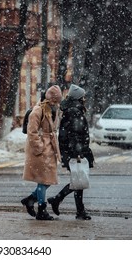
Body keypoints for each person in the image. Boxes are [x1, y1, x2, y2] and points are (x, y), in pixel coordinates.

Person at [47, 84, 94, 220]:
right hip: (75, 151)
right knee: (78, 180)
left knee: (78, 180)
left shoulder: (73, 109)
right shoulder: (74, 111)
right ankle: (59, 200)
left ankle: (77, 210)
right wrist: (77, 151)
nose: (84, 99)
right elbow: (73, 134)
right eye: (83, 97)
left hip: (74, 150)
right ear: (79, 98)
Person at [21, 85, 62, 220]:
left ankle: (31, 199)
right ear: (49, 100)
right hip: (41, 149)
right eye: (55, 101)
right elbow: (31, 132)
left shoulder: (50, 110)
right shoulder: (38, 111)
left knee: (48, 179)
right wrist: (39, 147)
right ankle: (41, 209)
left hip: (48, 147)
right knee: (43, 180)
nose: (57, 104)